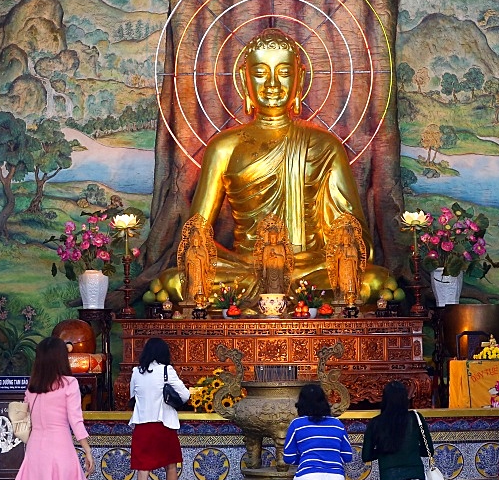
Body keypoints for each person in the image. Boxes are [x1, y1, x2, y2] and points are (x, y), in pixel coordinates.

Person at [158, 27, 391, 303]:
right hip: (245, 266)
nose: (271, 83)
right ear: (244, 81)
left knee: (372, 278)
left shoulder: (325, 146)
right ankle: (284, 291)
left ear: (300, 80)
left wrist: (335, 255)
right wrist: (246, 264)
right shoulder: (223, 147)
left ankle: (274, 292)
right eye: (259, 73)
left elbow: (356, 237)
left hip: (310, 268)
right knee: (177, 278)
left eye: (283, 73)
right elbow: (196, 235)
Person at [8, 336, 95, 480]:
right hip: (61, 449)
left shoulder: (32, 387)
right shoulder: (70, 384)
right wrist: (87, 450)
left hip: (36, 450)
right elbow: (76, 420)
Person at [361, 381, 432, 480]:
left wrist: (385, 451)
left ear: (384, 399)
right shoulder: (416, 418)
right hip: (416, 478)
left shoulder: (375, 423)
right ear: (405, 399)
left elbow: (366, 456)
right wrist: (412, 451)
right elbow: (429, 450)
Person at [129, 337, 191, 480]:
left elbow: (133, 396)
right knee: (170, 466)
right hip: (163, 424)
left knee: (142, 469)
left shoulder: (136, 372)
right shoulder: (166, 370)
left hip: (142, 425)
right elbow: (185, 395)